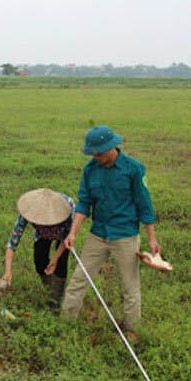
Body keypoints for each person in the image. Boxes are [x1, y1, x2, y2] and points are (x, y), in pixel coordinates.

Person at [61, 126, 161, 339]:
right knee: (79, 279)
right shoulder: (90, 170)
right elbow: (84, 204)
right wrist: (73, 234)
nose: (95, 157)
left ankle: (131, 329)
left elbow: (145, 205)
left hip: (125, 235)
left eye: (98, 153)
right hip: (98, 234)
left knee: (129, 286)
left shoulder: (133, 169)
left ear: (111, 147)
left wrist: (152, 238)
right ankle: (65, 324)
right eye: (92, 154)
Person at [0, 188, 75, 312]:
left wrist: (55, 259)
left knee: (61, 263)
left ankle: (55, 299)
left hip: (63, 235)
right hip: (41, 235)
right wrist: (7, 272)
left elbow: (67, 238)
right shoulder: (28, 212)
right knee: (39, 259)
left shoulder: (67, 209)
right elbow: (12, 242)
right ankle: (49, 287)